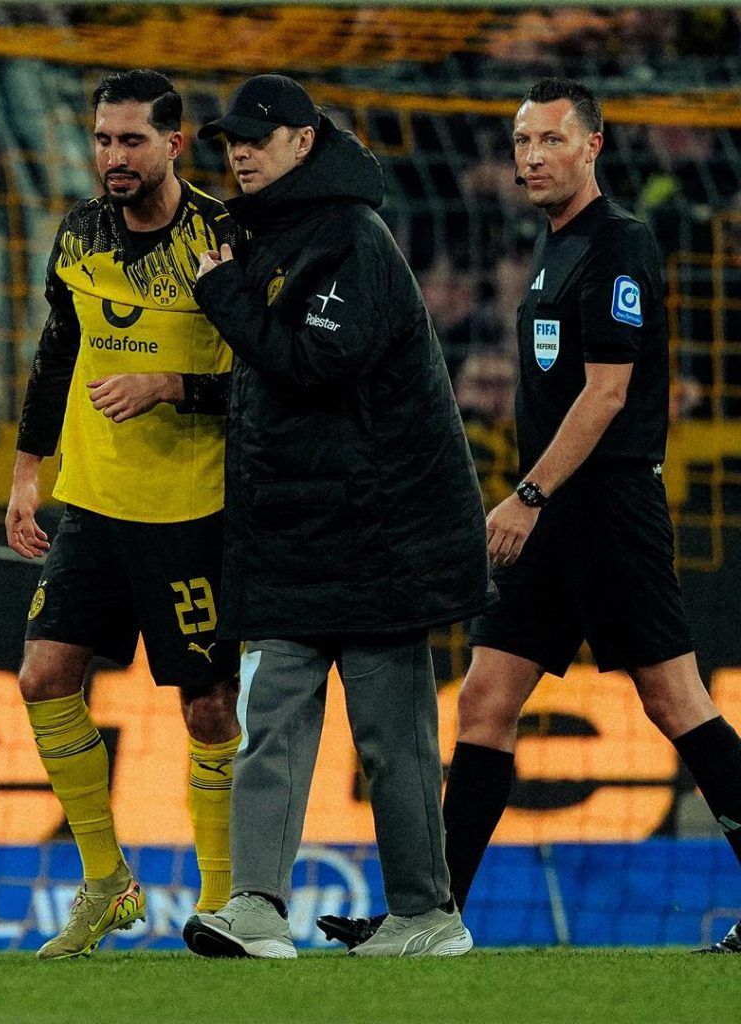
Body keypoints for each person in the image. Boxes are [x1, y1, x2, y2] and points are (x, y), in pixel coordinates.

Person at [316, 77, 741, 955]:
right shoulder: (551, 247)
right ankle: (433, 918)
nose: (533, 157)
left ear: (592, 145)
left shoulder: (618, 244)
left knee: (673, 700)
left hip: (605, 511)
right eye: (521, 144)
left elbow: (609, 391)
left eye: (550, 140)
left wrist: (529, 495)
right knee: (484, 701)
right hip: (553, 521)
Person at [179, 74, 495, 959]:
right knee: (270, 721)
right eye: (232, 140)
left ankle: (426, 915)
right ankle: (254, 907)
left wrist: (224, 295)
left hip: (378, 532)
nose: (238, 151)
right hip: (292, 530)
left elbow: (316, 365)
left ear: (303, 144)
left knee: (393, 741)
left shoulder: (352, 239)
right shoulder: (269, 235)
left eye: (256, 137)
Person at [5, 69, 241, 961]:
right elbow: (56, 353)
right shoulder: (78, 233)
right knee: (41, 677)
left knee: (208, 710)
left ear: (174, 144)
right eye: (103, 139)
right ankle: (107, 884)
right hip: (94, 506)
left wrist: (170, 383)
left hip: (193, 510)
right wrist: (29, 472)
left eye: (131, 140)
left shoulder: (222, 238)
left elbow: (267, 370)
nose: (113, 156)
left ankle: (221, 906)